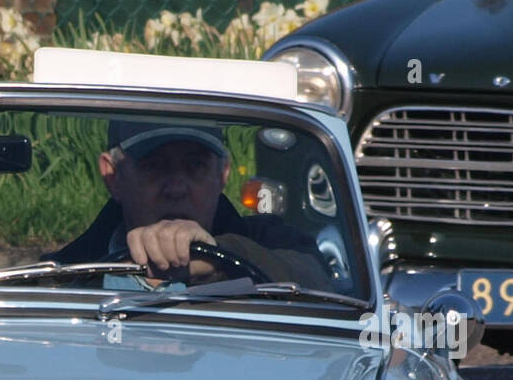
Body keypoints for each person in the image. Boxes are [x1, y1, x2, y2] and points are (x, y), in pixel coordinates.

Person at [48, 120, 332, 290]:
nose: (176, 188)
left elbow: (323, 284)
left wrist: (221, 258)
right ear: (113, 176)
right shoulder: (66, 269)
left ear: (223, 174)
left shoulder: (273, 243)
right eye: (154, 166)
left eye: (195, 166)